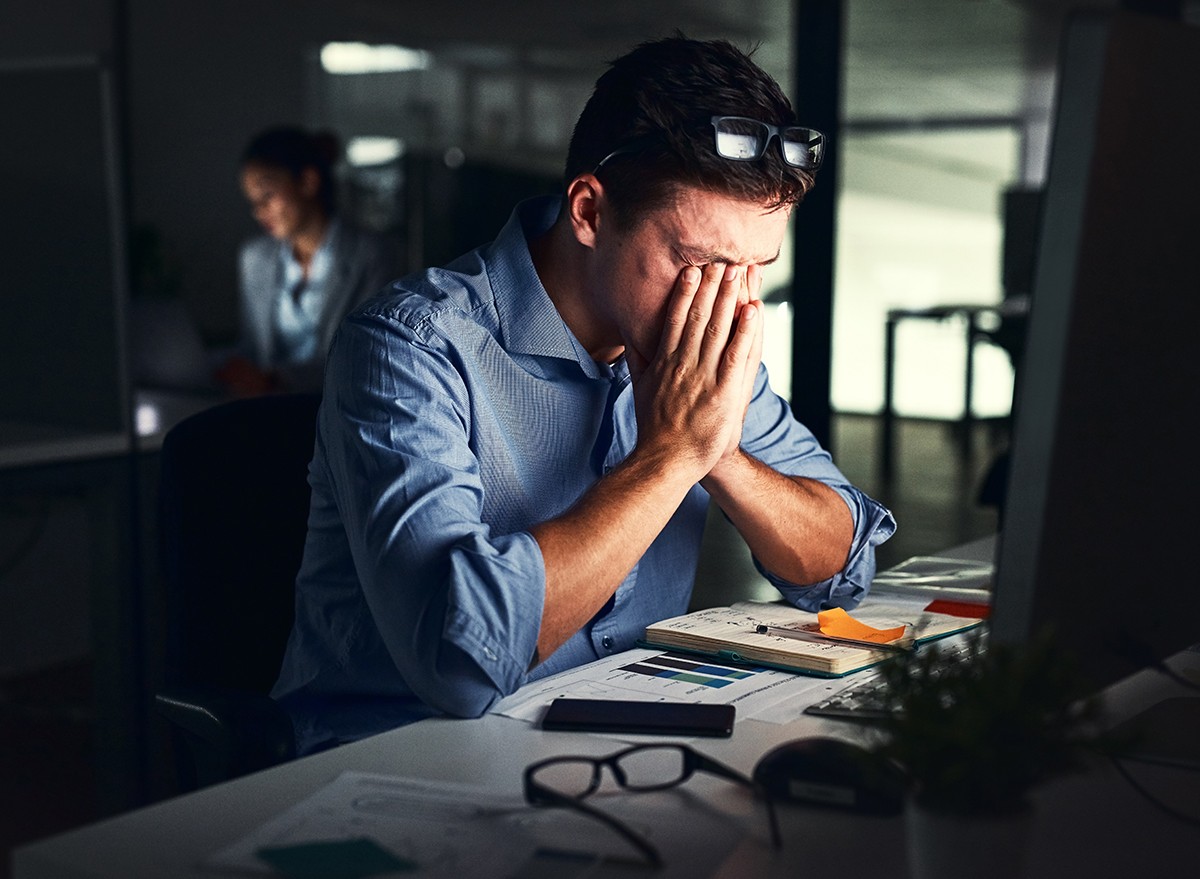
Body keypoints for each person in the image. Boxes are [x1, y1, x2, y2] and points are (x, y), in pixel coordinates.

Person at [272, 37, 896, 754]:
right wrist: (670, 457)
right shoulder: (408, 345)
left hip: (606, 748)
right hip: (389, 764)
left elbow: (843, 571)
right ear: (591, 212)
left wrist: (718, 452)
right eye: (699, 264)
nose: (729, 304)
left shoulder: (698, 344)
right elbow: (458, 666)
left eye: (756, 269)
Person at [216, 125, 396, 395]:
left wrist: (278, 380)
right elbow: (252, 348)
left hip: (341, 407)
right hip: (266, 411)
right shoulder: (254, 258)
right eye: (252, 201)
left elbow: (366, 353)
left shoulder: (370, 254)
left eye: (267, 195)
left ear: (307, 182)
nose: (258, 211)